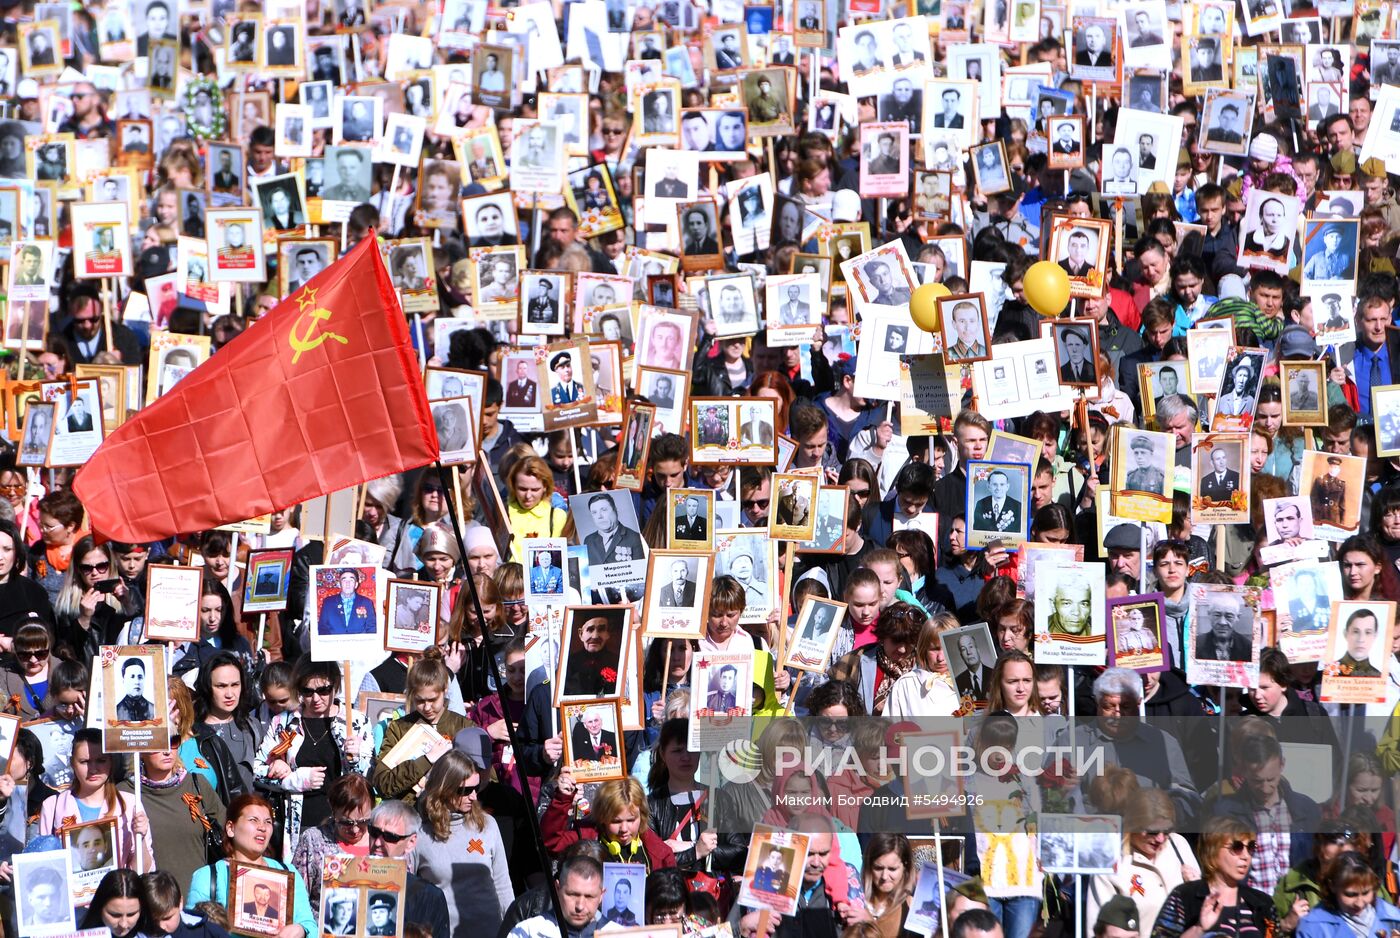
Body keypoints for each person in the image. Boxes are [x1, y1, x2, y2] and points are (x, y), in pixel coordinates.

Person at [1194, 591, 1251, 661]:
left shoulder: (1248, 647)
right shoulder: (1195, 645)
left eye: (1229, 616)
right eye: (1217, 615)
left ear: (1238, 617)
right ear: (1209, 614)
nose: (1222, 622)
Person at [317, 569, 376, 635]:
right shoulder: (328, 603)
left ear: (356, 584)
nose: (348, 583)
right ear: (340, 584)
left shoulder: (367, 603)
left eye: (351, 580)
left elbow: (372, 628)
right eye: (344, 580)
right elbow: (322, 628)